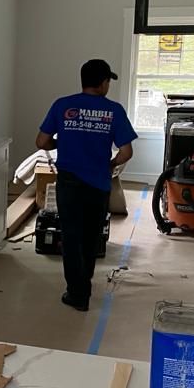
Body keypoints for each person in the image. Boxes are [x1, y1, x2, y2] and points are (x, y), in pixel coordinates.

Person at [35, 59, 137, 312]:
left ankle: (77, 292)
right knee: (91, 237)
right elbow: (126, 152)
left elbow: (41, 141)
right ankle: (85, 286)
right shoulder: (114, 110)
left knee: (70, 236)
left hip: (69, 182)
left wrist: (61, 144)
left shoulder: (63, 105)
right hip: (98, 182)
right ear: (103, 83)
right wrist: (111, 164)